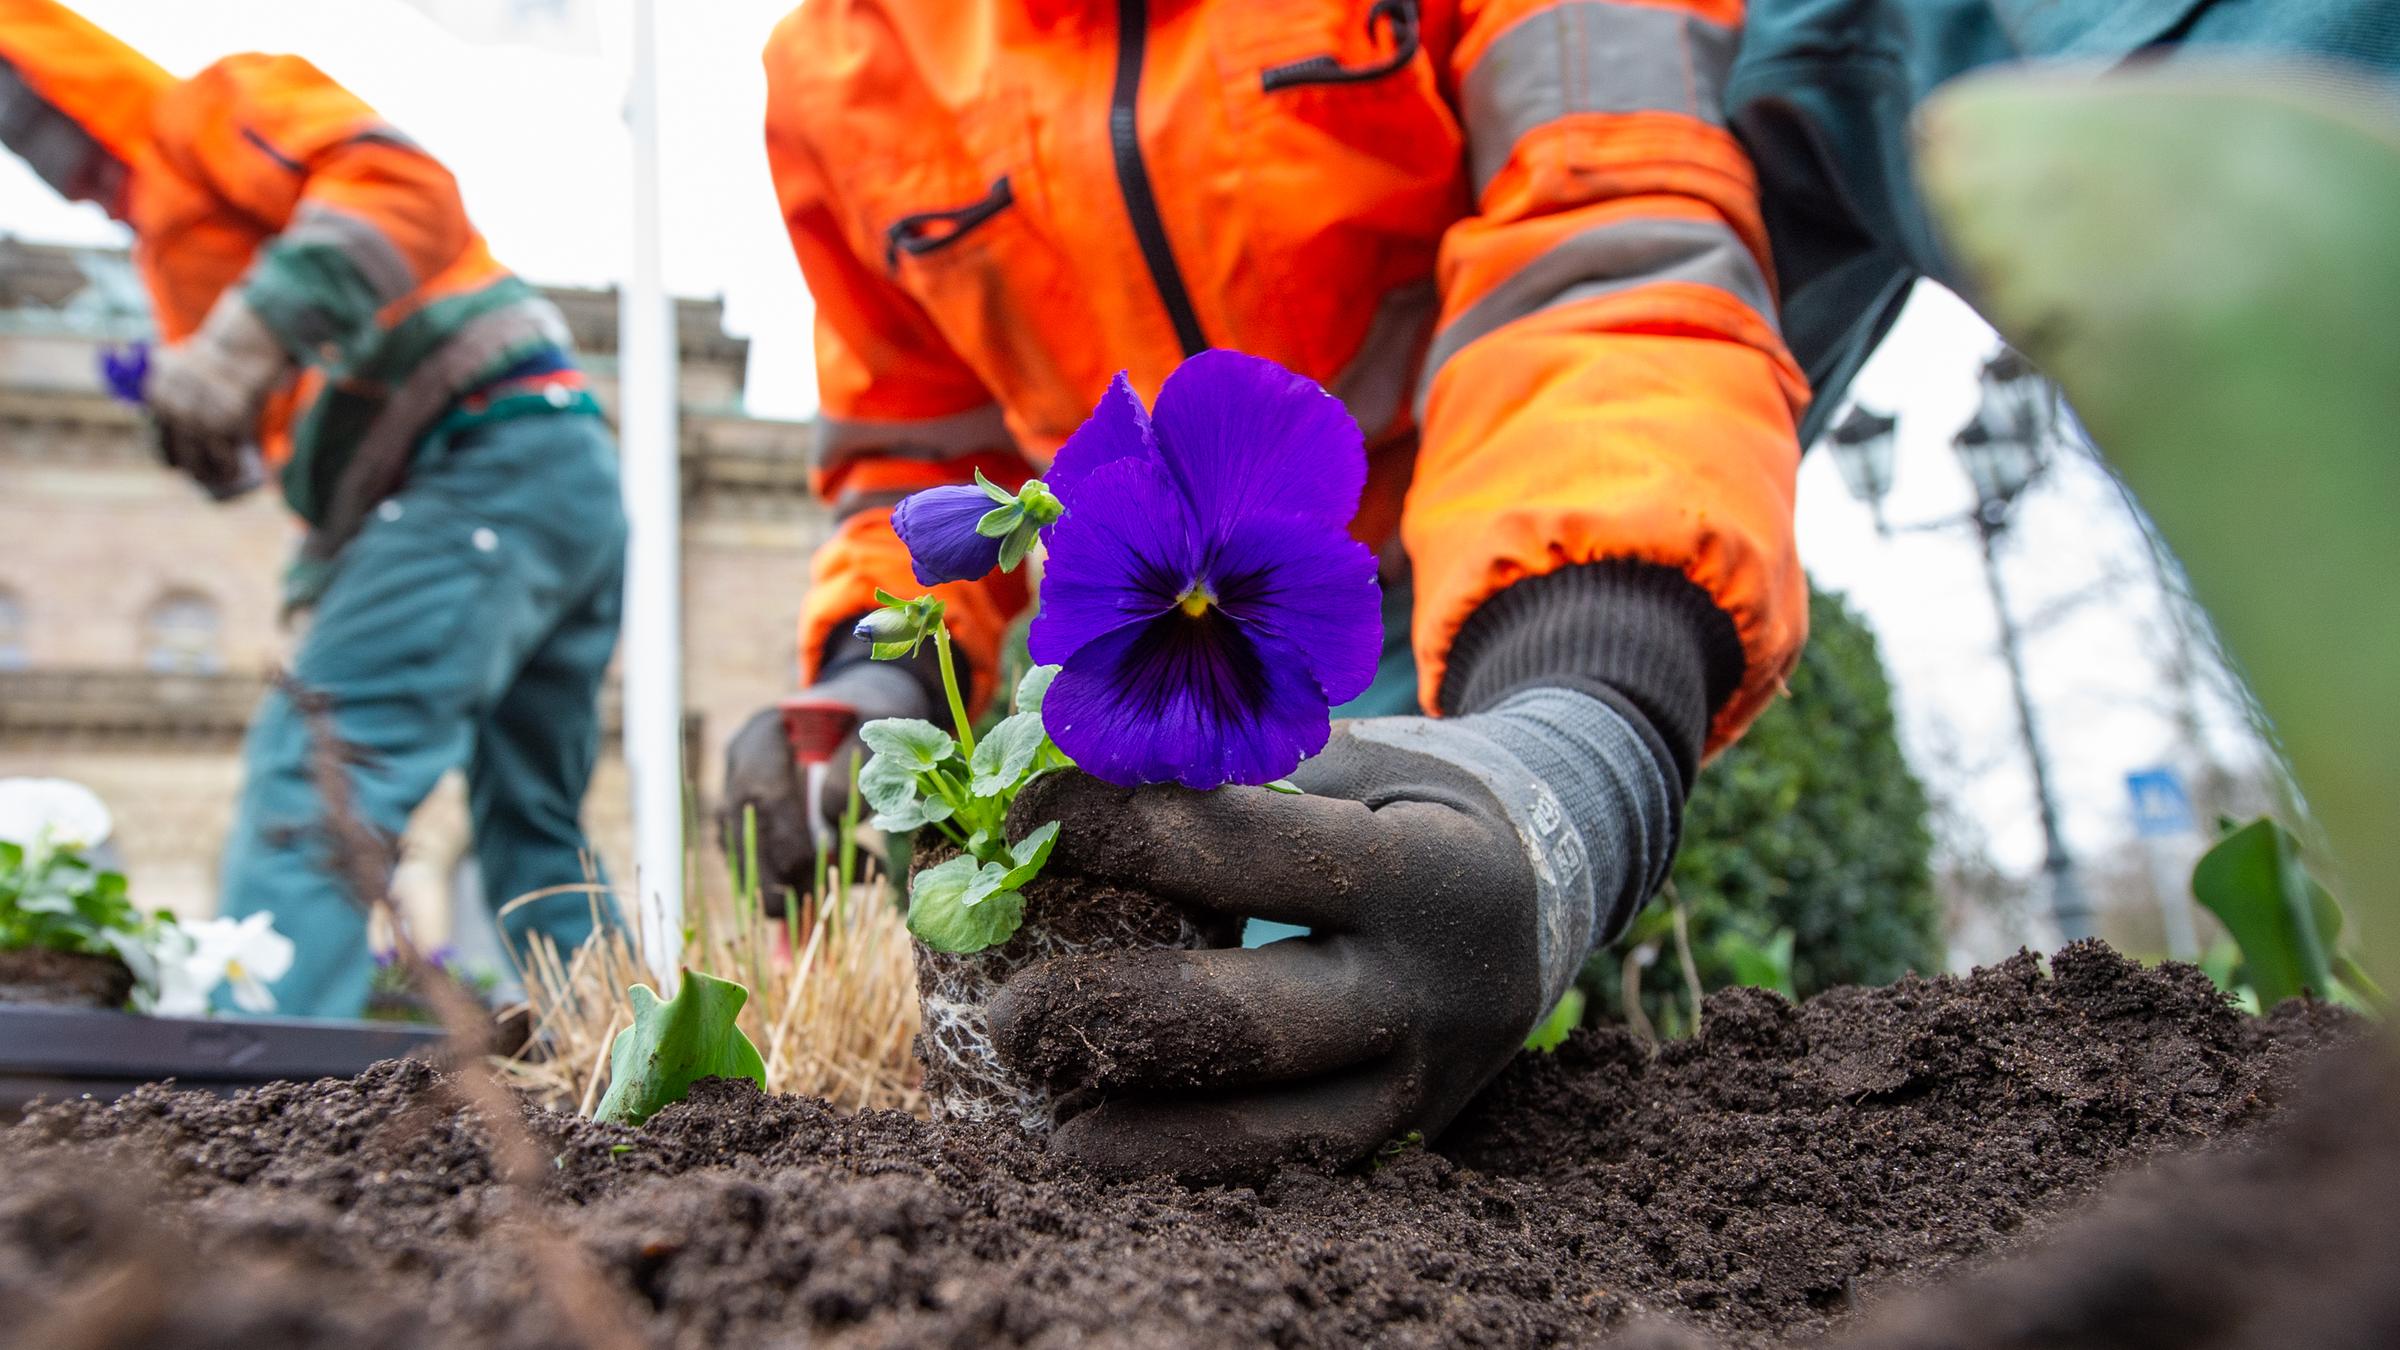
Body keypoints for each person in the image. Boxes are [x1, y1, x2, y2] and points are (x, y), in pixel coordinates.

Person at [732, 0, 2396, 1179]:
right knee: (1251, 1050)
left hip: (1470, 529)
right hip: (1201, 609)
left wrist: (1583, 737)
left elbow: (1596, 250)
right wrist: (874, 674)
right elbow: (913, 452)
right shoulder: (846, 59)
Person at [0, 1, 626, 1018]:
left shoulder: (208, 112)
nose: (50, 163)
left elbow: (399, 186)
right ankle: (648, 1078)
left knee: (316, 774)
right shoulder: (171, 255)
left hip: (478, 457)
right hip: (544, 476)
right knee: (533, 822)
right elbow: (313, 450)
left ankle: (257, 1110)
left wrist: (239, 344)